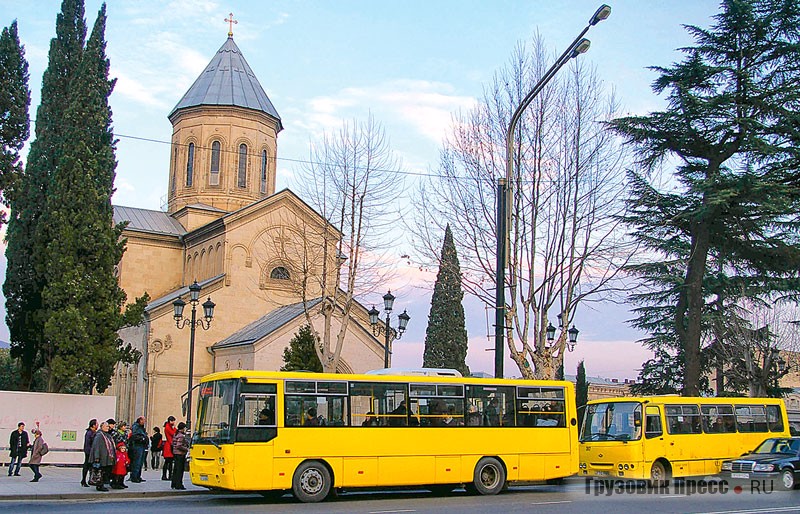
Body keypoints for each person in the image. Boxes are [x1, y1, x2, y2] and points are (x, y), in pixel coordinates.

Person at [90, 420, 116, 492]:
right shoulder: (99, 435)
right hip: (101, 457)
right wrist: (97, 457)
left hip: (107, 457)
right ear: (102, 427)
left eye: (108, 426)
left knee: (104, 471)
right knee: (100, 471)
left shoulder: (107, 435)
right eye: (106, 426)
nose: (108, 427)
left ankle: (102, 484)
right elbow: (96, 447)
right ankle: (99, 485)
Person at [170, 422, 189, 490]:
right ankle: (179, 484)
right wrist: (186, 449)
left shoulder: (176, 434)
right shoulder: (181, 436)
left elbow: (173, 444)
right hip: (180, 454)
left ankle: (174, 483)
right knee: (180, 470)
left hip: (175, 453)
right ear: (183, 428)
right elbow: (179, 445)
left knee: (175, 469)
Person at [129, 416, 148, 483]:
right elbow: (134, 436)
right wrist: (142, 438)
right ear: (140, 420)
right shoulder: (136, 427)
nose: (144, 422)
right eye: (143, 420)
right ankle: (134, 477)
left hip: (142, 446)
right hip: (137, 445)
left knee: (140, 462)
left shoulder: (141, 428)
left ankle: (138, 476)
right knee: (137, 462)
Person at [81, 419, 98, 487]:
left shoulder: (93, 432)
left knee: (89, 466)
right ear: (93, 425)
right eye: (97, 424)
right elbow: (88, 444)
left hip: (90, 451)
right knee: (87, 466)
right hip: (89, 452)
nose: (97, 425)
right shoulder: (90, 433)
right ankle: (84, 480)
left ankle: (89, 480)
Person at [161, 416, 176, 481]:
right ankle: (166, 475)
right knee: (168, 462)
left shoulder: (168, 427)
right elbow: (173, 433)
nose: (173, 422)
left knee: (168, 462)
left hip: (169, 445)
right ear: (170, 421)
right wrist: (174, 428)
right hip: (169, 446)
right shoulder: (168, 427)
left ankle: (168, 475)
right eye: (172, 421)